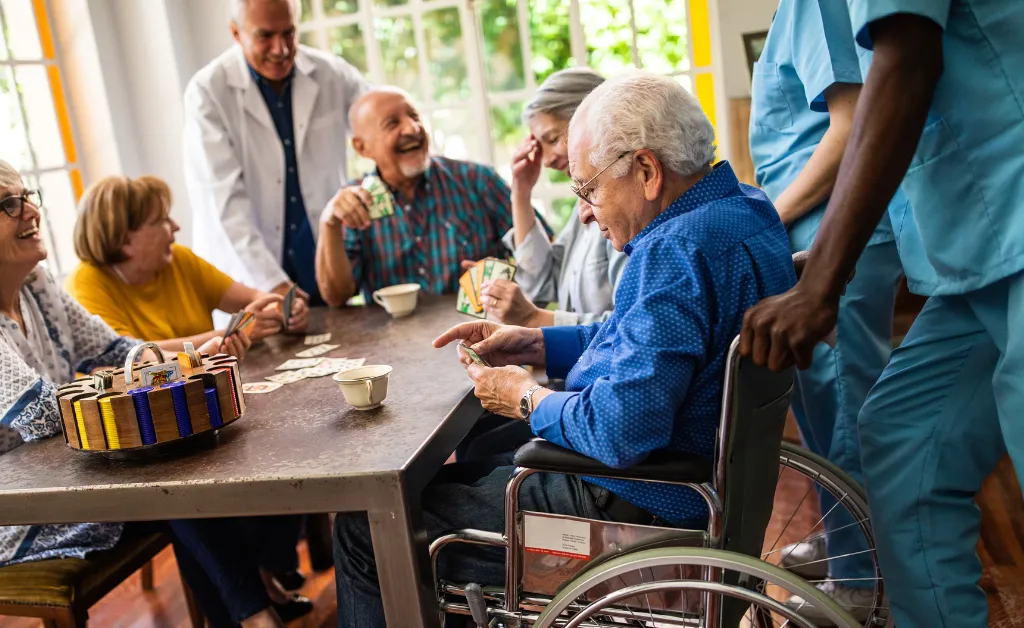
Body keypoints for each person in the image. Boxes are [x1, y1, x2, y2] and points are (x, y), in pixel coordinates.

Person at [332, 73, 796, 627]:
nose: (583, 212)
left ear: (647, 171)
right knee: (478, 457)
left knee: (365, 528)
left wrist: (526, 397)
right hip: (709, 481)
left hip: (637, 501)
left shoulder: (672, 250)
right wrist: (533, 342)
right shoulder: (745, 209)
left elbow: (620, 431)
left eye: (588, 189)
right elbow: (641, 336)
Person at [0, 158, 302, 628]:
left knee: (186, 481)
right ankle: (255, 617)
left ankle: (249, 618)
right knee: (171, 486)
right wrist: (152, 374)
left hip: (52, 476)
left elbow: (114, 351)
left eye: (26, 196)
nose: (31, 211)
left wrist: (183, 359)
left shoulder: (34, 283)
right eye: (9, 205)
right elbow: (41, 416)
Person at [738, 0, 1024, 624]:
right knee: (900, 436)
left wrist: (822, 278)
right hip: (973, 253)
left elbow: (905, 59)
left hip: (1012, 213)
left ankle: (859, 583)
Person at [747, 0, 904, 618]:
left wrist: (769, 219)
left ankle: (860, 582)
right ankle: (847, 543)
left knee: (844, 412)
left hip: (829, 235)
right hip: (811, 232)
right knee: (820, 408)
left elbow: (850, 128)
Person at [183, 0, 367, 305]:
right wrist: (274, 285)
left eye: (289, 33)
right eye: (265, 36)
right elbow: (225, 204)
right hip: (249, 268)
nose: (280, 49)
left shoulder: (332, 73)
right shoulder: (208, 91)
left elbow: (377, 124)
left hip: (318, 258)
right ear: (236, 33)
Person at [315, 87, 520, 307]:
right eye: (392, 123)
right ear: (362, 147)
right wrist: (329, 223)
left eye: (414, 116)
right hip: (392, 339)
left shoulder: (479, 180)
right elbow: (336, 297)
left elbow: (543, 258)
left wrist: (509, 279)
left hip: (479, 333)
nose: (412, 128)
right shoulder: (354, 203)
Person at [66, 175, 308, 353]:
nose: (175, 227)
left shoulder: (177, 259)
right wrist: (233, 333)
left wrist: (282, 310)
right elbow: (133, 356)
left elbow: (253, 298)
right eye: (162, 220)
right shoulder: (85, 284)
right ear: (125, 240)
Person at [485, 67, 628, 327]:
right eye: (539, 146)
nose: (547, 160)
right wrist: (521, 191)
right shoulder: (584, 201)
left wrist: (534, 318)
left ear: (592, 120)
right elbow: (543, 282)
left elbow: (627, 327)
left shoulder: (628, 206)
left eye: (551, 139)